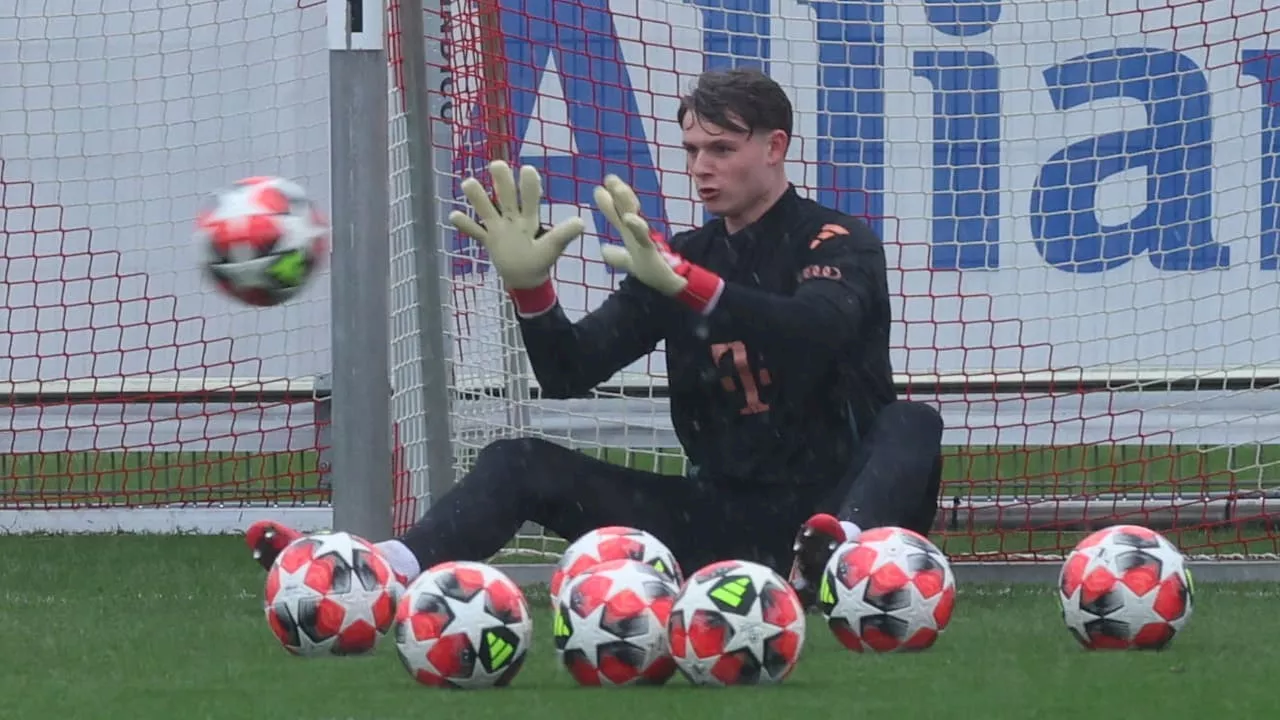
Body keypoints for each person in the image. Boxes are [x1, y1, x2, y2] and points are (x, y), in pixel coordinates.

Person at [245, 67, 945, 608]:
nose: (701, 166)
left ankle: (839, 565)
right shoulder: (676, 256)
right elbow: (570, 371)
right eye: (693, 149)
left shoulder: (833, 238)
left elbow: (818, 330)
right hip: (722, 515)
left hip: (842, 501)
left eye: (722, 149)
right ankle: (378, 571)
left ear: (775, 148)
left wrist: (687, 287)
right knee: (519, 460)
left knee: (913, 421)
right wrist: (530, 290)